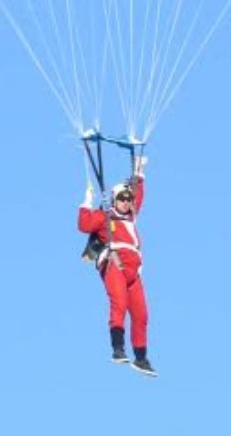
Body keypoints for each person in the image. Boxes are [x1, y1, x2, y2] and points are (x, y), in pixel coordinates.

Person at [78, 156, 157, 376]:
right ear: (114, 199)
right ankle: (118, 349)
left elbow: (139, 195)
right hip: (115, 265)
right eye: (122, 198)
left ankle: (141, 358)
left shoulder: (131, 217)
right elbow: (84, 225)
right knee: (119, 304)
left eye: (128, 198)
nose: (126, 201)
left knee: (141, 315)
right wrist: (86, 202)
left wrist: (139, 173)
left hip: (134, 273)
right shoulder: (105, 217)